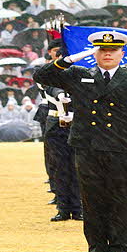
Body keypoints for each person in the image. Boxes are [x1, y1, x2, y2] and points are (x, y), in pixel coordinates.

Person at [34, 31, 127, 252]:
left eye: (113, 51)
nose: (107, 54)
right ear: (94, 52)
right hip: (88, 145)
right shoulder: (80, 74)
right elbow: (42, 75)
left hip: (120, 145)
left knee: (119, 197)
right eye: (102, 50)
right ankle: (96, 248)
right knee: (92, 199)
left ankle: (117, 249)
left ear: (122, 53)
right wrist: (70, 59)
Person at [34, 79, 82, 222]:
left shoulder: (81, 74)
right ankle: (63, 208)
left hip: (77, 123)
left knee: (76, 167)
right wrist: (61, 94)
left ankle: (78, 208)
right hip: (56, 124)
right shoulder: (51, 74)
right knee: (59, 168)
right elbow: (49, 86)